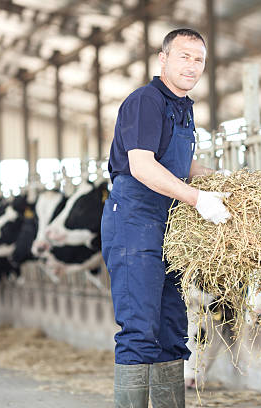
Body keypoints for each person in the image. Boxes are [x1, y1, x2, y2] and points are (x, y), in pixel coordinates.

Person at [101, 28, 231, 408]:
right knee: (140, 329)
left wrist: (224, 182)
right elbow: (142, 165)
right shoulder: (145, 101)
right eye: (184, 56)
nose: (192, 66)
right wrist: (197, 199)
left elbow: (178, 163)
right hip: (135, 219)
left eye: (199, 59)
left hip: (170, 221)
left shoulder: (183, 107)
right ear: (163, 59)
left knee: (172, 328)